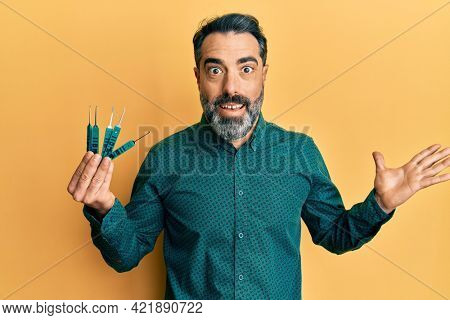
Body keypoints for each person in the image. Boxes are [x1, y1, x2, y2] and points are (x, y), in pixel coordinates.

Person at [67, 13, 450, 299]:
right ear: (198, 77)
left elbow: (334, 235)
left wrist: (380, 205)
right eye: (215, 69)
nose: (230, 87)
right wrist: (104, 207)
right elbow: (126, 254)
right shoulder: (166, 158)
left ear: (264, 74)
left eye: (245, 69)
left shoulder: (300, 153)